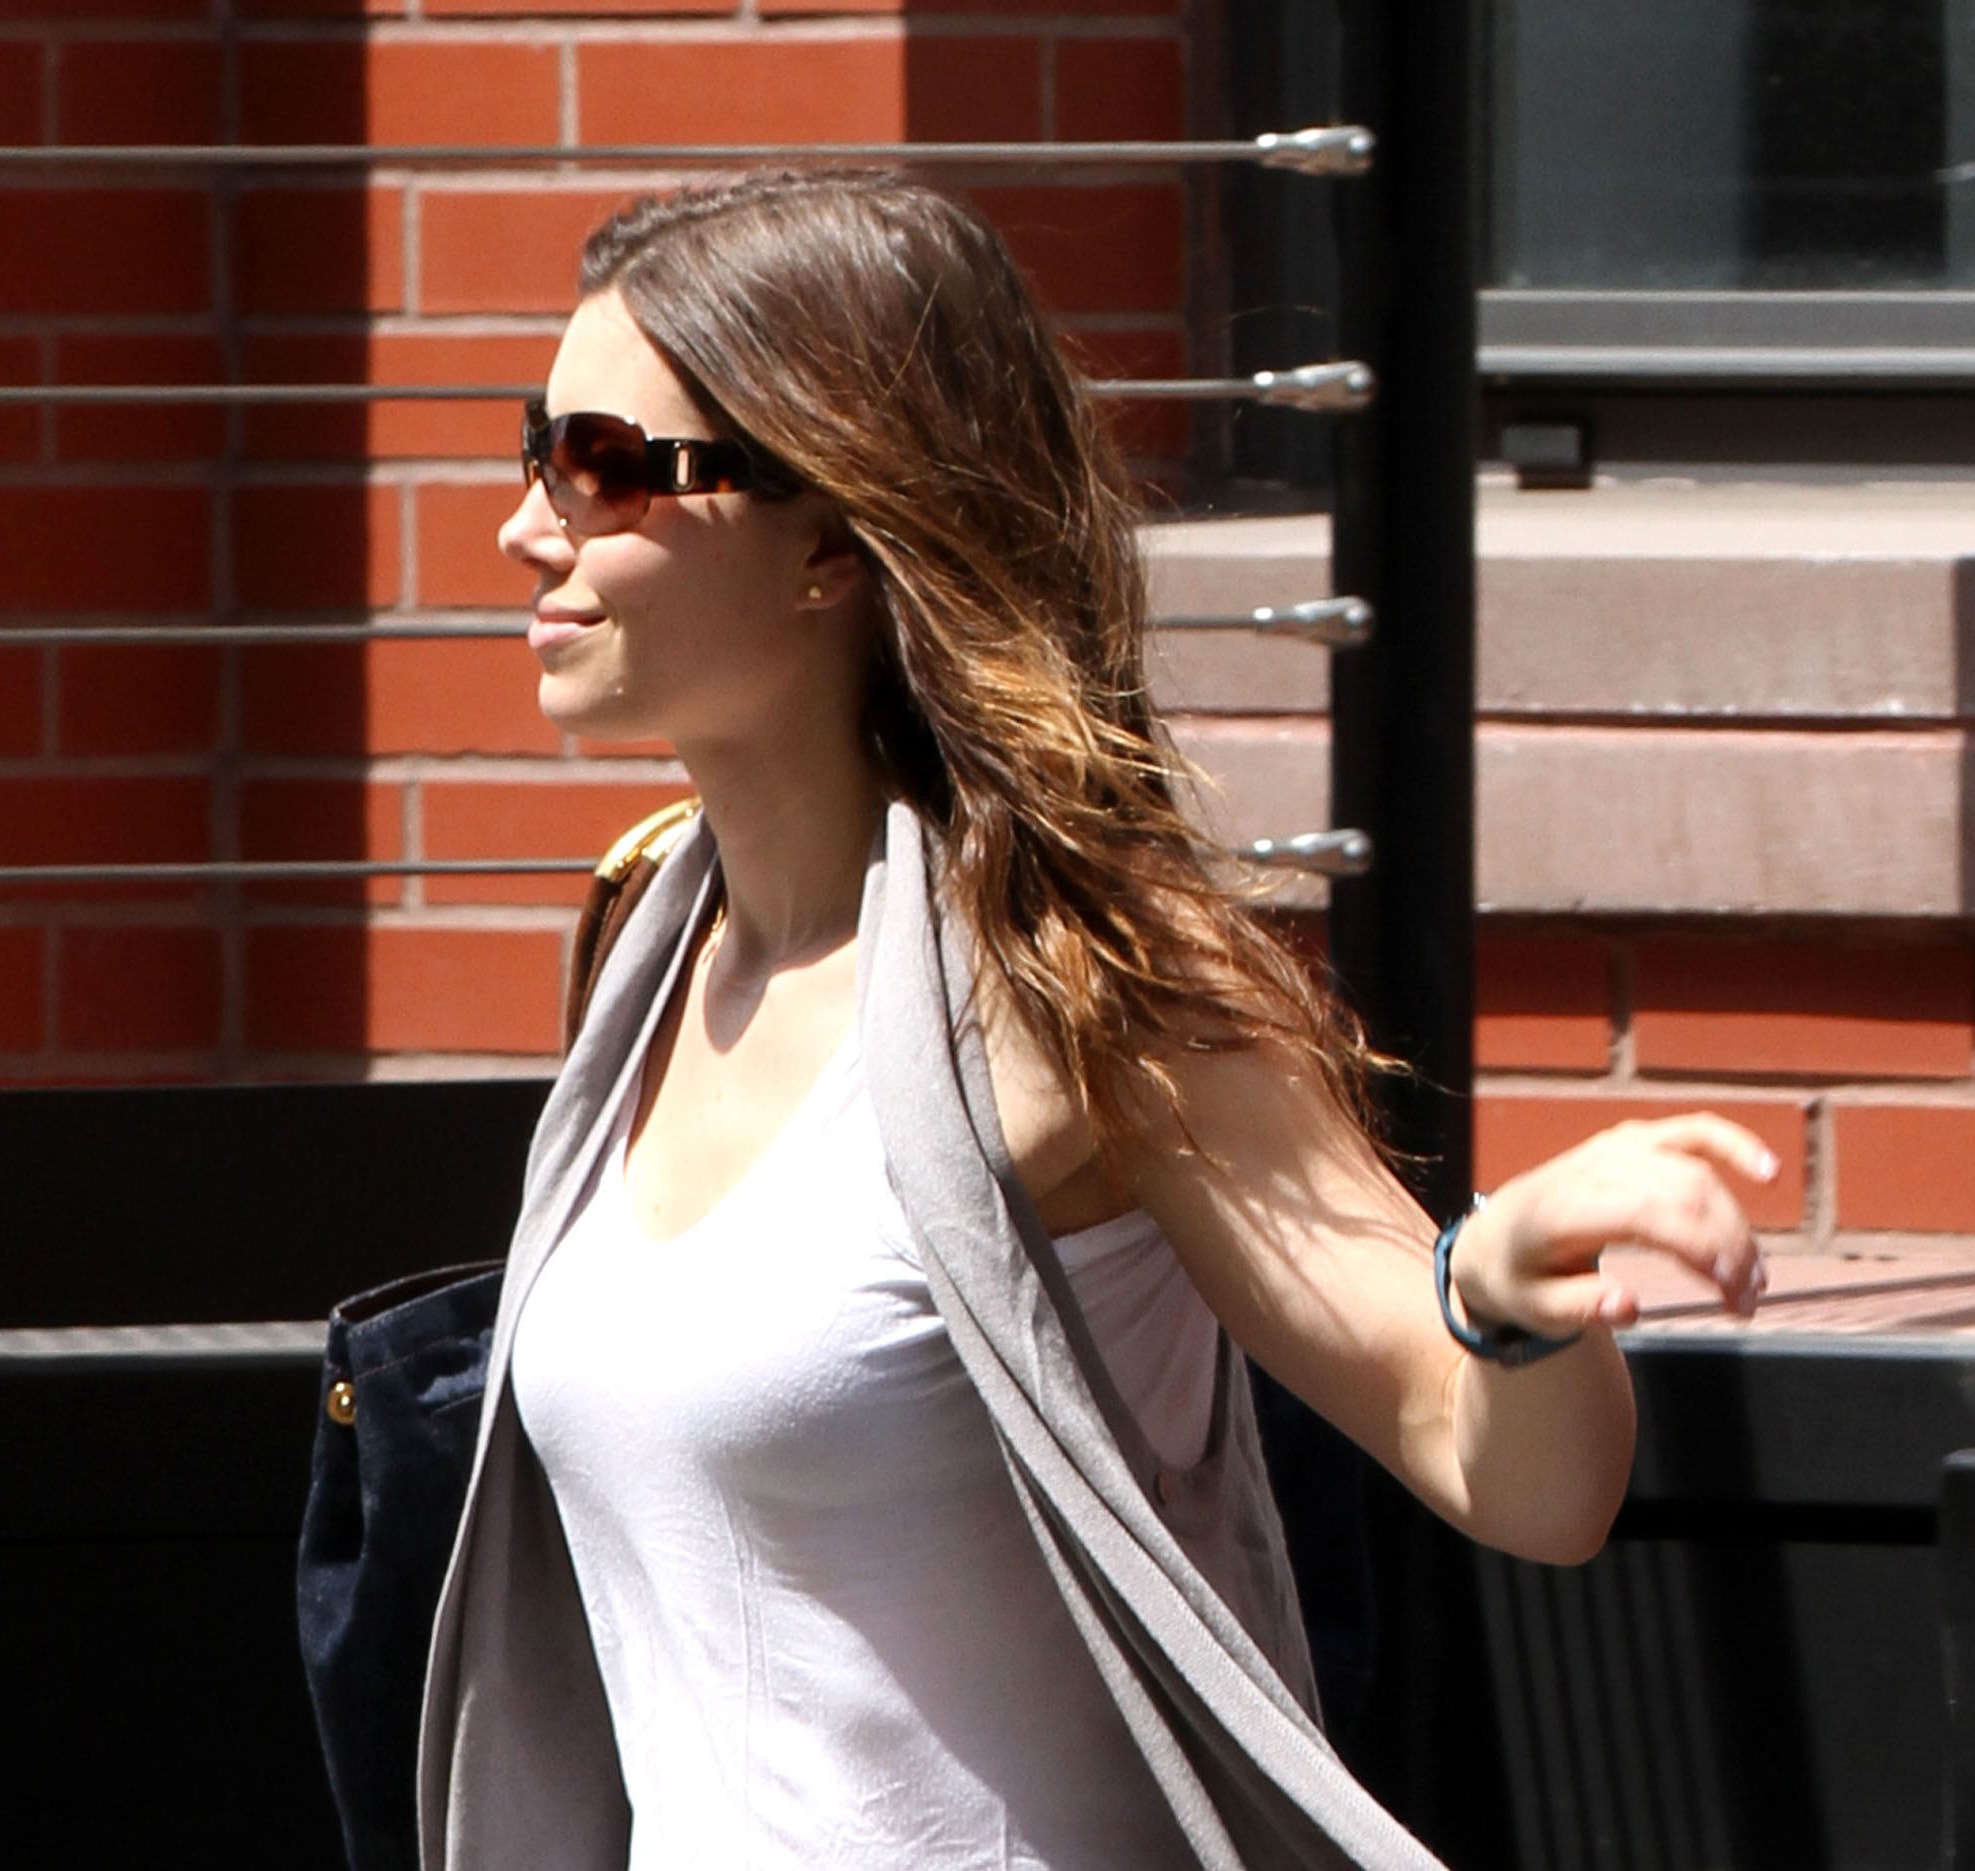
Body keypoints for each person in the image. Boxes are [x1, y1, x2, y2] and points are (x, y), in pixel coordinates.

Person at [415, 170, 1774, 1870]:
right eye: (538, 446)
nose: (527, 525)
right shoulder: (647, 939)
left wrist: (1505, 1292)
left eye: (604, 468)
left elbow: (1521, 1484)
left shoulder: (1084, 981)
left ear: (835, 532)